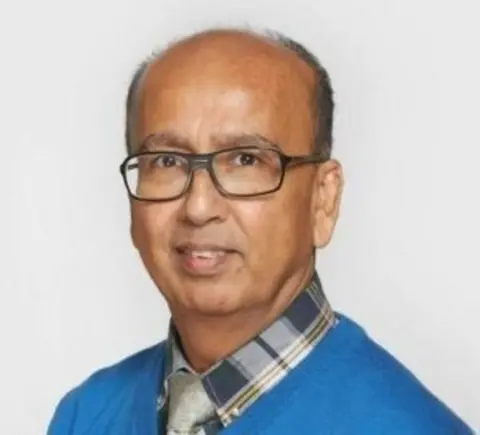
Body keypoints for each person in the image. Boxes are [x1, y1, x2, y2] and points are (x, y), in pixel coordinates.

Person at [47, 28, 473, 434]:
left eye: (247, 160)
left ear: (323, 199)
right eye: (167, 162)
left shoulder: (408, 428)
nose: (198, 207)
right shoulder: (85, 414)